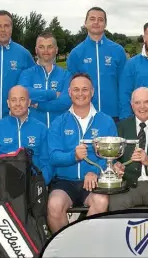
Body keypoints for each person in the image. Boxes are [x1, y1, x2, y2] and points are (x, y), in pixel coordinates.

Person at [0, 85, 52, 234]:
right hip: (3, 185)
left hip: (32, 185)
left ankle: (34, 242)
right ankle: (3, 244)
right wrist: (6, 160)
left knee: (38, 211)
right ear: (8, 103)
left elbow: (48, 160)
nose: (17, 104)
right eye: (14, 100)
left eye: (22, 99)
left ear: (29, 102)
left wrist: (41, 181)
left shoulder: (41, 128)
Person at [46, 73, 117, 233]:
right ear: (69, 92)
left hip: (94, 181)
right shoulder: (59, 122)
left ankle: (83, 246)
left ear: (92, 92)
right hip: (64, 181)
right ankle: (65, 250)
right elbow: (53, 156)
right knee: (54, 206)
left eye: (85, 89)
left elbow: (111, 156)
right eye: (76, 89)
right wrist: (74, 156)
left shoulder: (106, 121)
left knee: (100, 202)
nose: (80, 93)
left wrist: (95, 171)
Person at [66, 7, 127, 122]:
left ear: (105, 24)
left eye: (100, 19)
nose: (96, 22)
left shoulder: (118, 51)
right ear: (85, 23)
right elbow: (70, 87)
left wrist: (124, 114)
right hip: (84, 116)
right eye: (92, 19)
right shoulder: (76, 53)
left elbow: (125, 85)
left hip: (114, 115)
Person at [18, 32, 72, 128]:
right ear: (36, 50)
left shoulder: (65, 75)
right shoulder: (27, 74)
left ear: (56, 50)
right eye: (41, 47)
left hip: (60, 130)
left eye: (50, 47)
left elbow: (66, 101)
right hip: (33, 131)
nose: (46, 51)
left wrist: (39, 105)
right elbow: (24, 94)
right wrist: (53, 94)